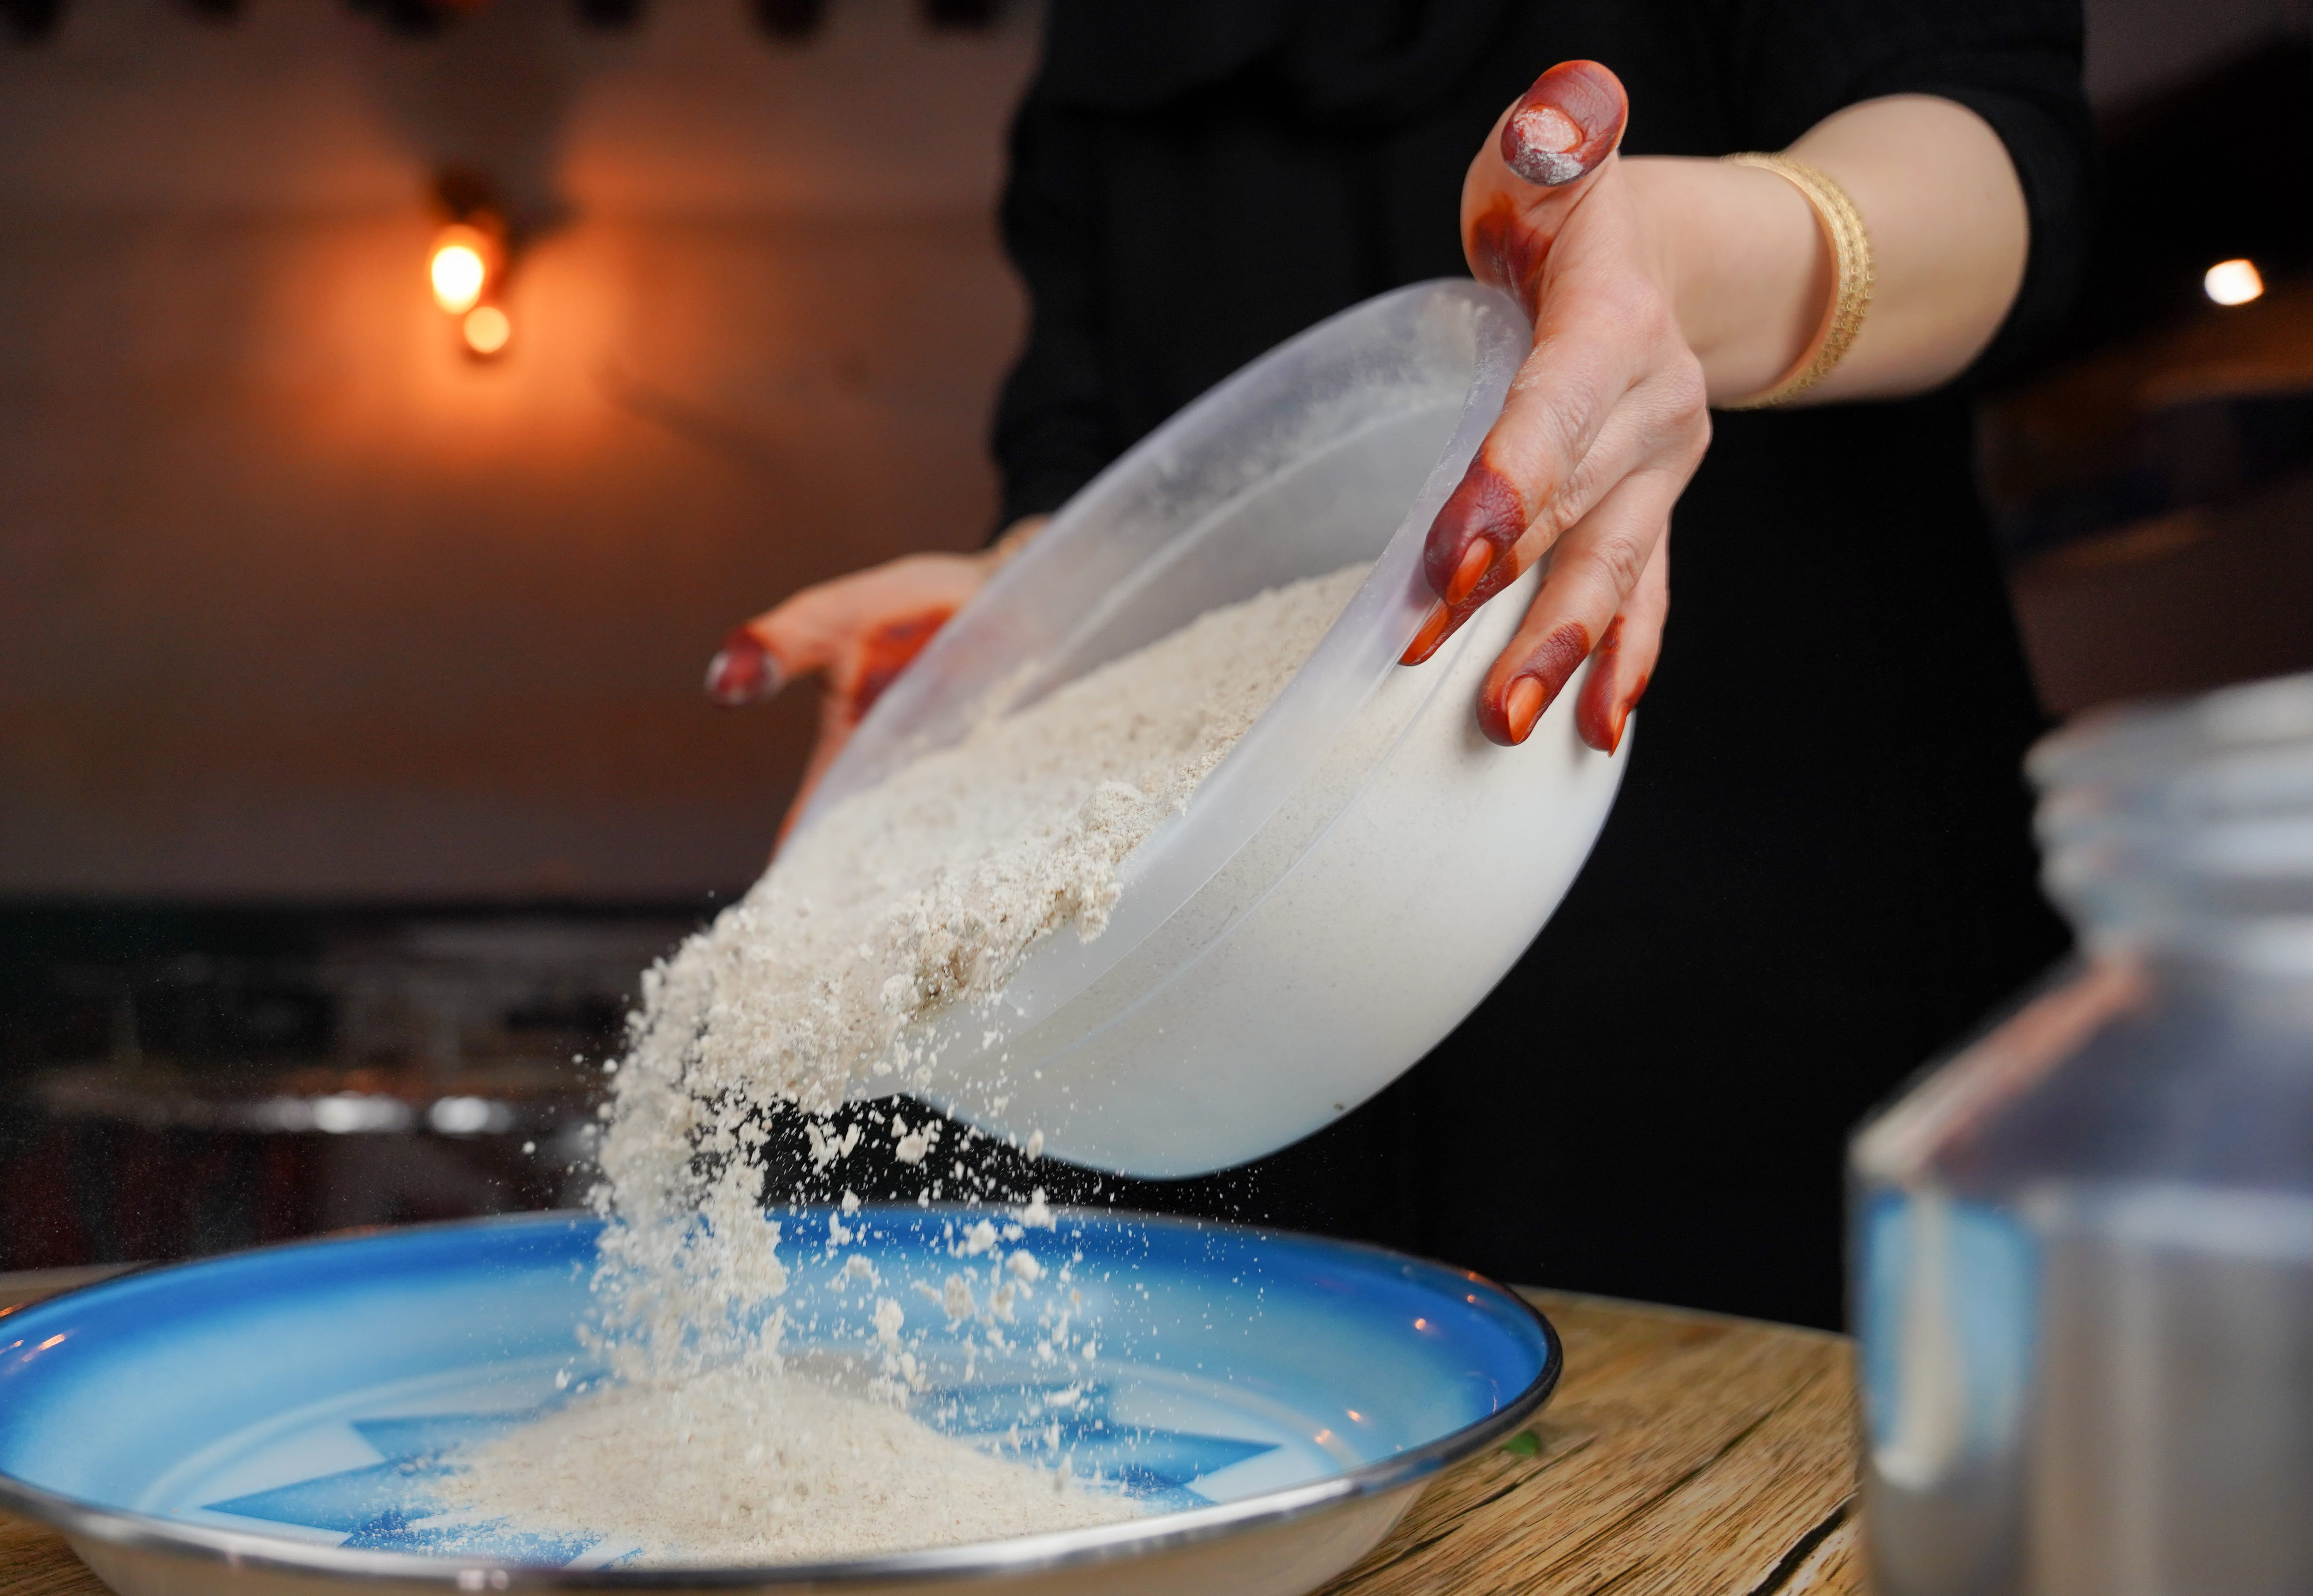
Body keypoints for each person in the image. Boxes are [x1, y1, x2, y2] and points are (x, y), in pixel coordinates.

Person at [701, 1, 2094, 1329]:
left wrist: (1665, 262)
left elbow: (1986, 166)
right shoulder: (1121, 36)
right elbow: (1098, 451)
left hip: (1762, 917)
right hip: (1271, 996)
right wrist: (1021, 623)